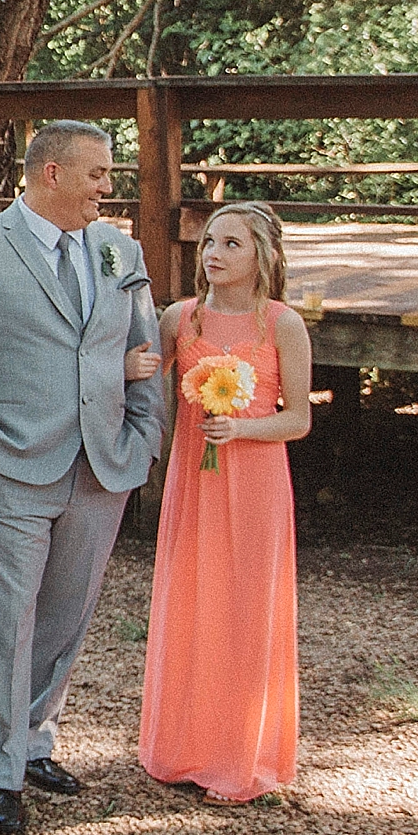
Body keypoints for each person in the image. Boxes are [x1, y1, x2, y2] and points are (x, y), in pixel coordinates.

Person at [0, 121, 162, 834]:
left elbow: (141, 347)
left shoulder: (121, 251)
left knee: (64, 619)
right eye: (96, 174)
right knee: (4, 625)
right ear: (50, 173)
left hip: (100, 464)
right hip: (11, 466)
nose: (106, 188)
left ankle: (34, 744)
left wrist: (141, 440)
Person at [138, 201, 310, 802]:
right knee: (191, 604)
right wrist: (133, 365)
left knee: (244, 609)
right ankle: (181, 747)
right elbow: (144, 379)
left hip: (257, 481)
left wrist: (243, 430)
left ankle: (241, 752)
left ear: (262, 255)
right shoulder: (181, 318)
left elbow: (298, 420)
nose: (214, 253)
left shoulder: (281, 324)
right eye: (210, 241)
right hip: (195, 481)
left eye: (232, 244)